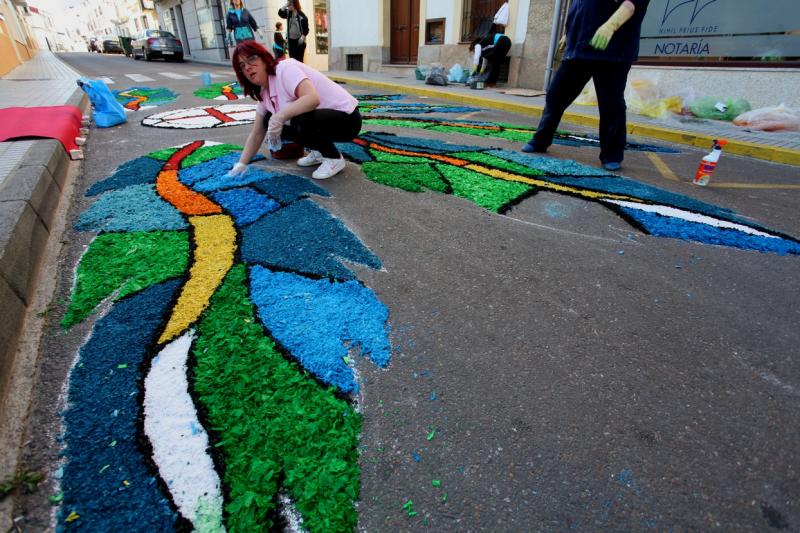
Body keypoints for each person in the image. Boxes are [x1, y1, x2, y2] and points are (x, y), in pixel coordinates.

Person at [523, 0, 650, 171]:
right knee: (555, 96)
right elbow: (580, 8)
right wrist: (568, 35)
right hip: (579, 48)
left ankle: (611, 154)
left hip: (613, 51)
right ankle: (540, 140)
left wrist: (610, 26)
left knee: (611, 105)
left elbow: (632, 3)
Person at [226, 41, 362, 180]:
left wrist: (279, 117)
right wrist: (241, 164)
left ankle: (333, 158)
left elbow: (312, 98)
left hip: (348, 119)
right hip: (324, 122)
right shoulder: (264, 93)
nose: (248, 67)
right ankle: (319, 151)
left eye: (252, 59)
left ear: (264, 58)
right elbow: (256, 134)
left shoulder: (285, 69)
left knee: (297, 119)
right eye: (242, 66)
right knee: (267, 120)